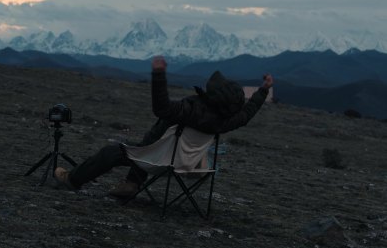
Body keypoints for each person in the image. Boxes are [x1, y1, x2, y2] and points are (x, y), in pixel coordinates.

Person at [54, 55, 274, 196]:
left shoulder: (190, 110)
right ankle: (131, 184)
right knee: (146, 146)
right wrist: (263, 89)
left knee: (112, 152)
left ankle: (72, 180)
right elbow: (247, 114)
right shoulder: (226, 121)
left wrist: (158, 75)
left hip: (160, 161)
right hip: (188, 164)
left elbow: (162, 109)